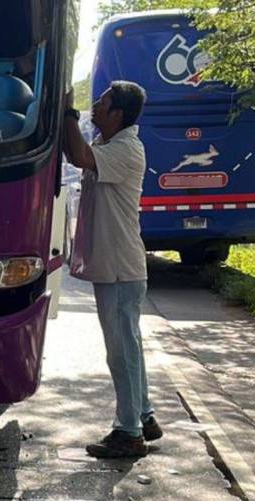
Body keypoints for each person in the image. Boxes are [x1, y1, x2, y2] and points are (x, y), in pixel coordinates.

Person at [62, 81, 163, 459]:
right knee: (129, 347)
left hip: (120, 268)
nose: (95, 109)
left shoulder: (124, 148)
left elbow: (76, 155)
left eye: (101, 103)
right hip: (118, 266)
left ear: (117, 113)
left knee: (120, 352)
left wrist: (67, 111)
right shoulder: (112, 144)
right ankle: (144, 416)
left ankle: (128, 432)